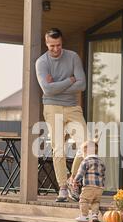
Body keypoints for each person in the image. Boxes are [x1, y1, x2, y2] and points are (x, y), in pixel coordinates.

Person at [36, 27, 88, 203]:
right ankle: (63, 188)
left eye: (58, 45)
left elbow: (82, 85)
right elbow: (47, 90)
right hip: (52, 108)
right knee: (58, 148)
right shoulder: (41, 62)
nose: (55, 49)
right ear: (46, 43)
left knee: (86, 145)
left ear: (62, 42)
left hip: (73, 107)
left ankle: (73, 179)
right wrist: (70, 80)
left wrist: (57, 85)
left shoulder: (72, 57)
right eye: (52, 46)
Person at [73, 140, 106, 222]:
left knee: (83, 199)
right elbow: (103, 174)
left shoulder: (85, 161)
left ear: (85, 152)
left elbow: (80, 173)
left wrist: (75, 181)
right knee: (96, 201)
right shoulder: (101, 162)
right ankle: (95, 215)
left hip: (89, 186)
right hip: (100, 187)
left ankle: (84, 215)